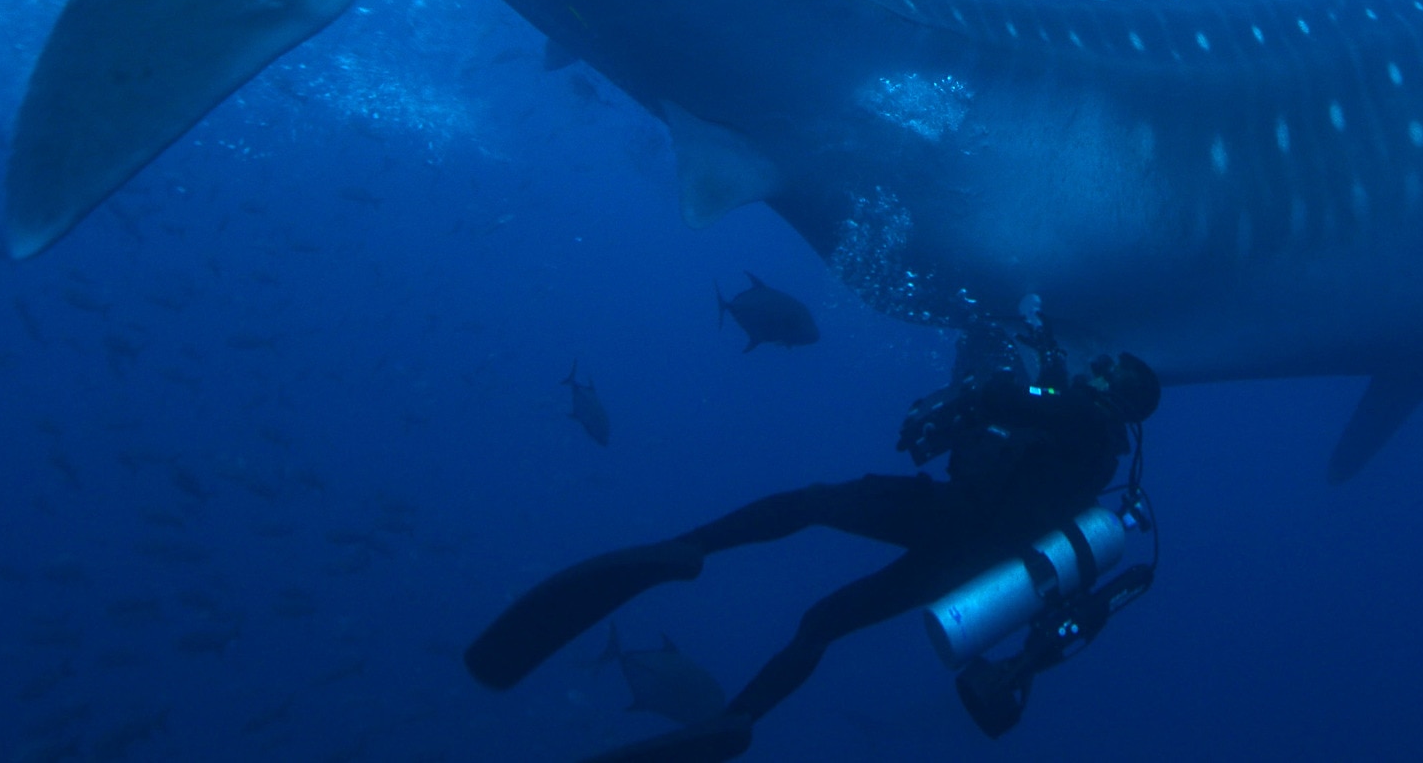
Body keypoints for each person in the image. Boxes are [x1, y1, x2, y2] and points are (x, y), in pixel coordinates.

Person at [464, 319, 1160, 763]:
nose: (1098, 367)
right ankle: (741, 717)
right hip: (965, 566)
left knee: (811, 505)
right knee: (822, 624)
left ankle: (687, 549)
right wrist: (1048, 364)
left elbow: (1008, 401)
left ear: (1118, 387)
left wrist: (1008, 369)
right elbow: (1041, 439)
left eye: (1109, 368)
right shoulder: (1102, 461)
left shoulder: (1080, 413)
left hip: (946, 517)